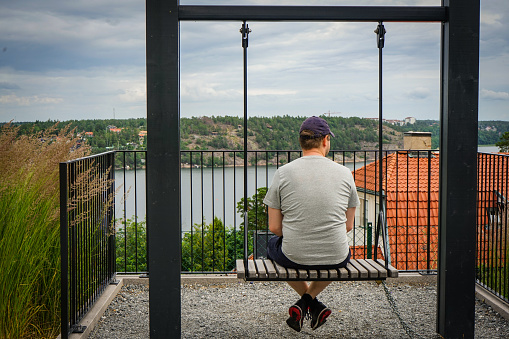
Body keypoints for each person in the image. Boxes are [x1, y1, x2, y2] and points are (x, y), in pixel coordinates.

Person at [263, 116, 360, 332]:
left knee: (271, 245)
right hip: (335, 256)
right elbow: (348, 226)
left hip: (294, 256)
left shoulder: (283, 173)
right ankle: (310, 303)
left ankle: (306, 303)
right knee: (337, 251)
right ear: (325, 140)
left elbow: (275, 228)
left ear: (301, 142)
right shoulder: (345, 173)